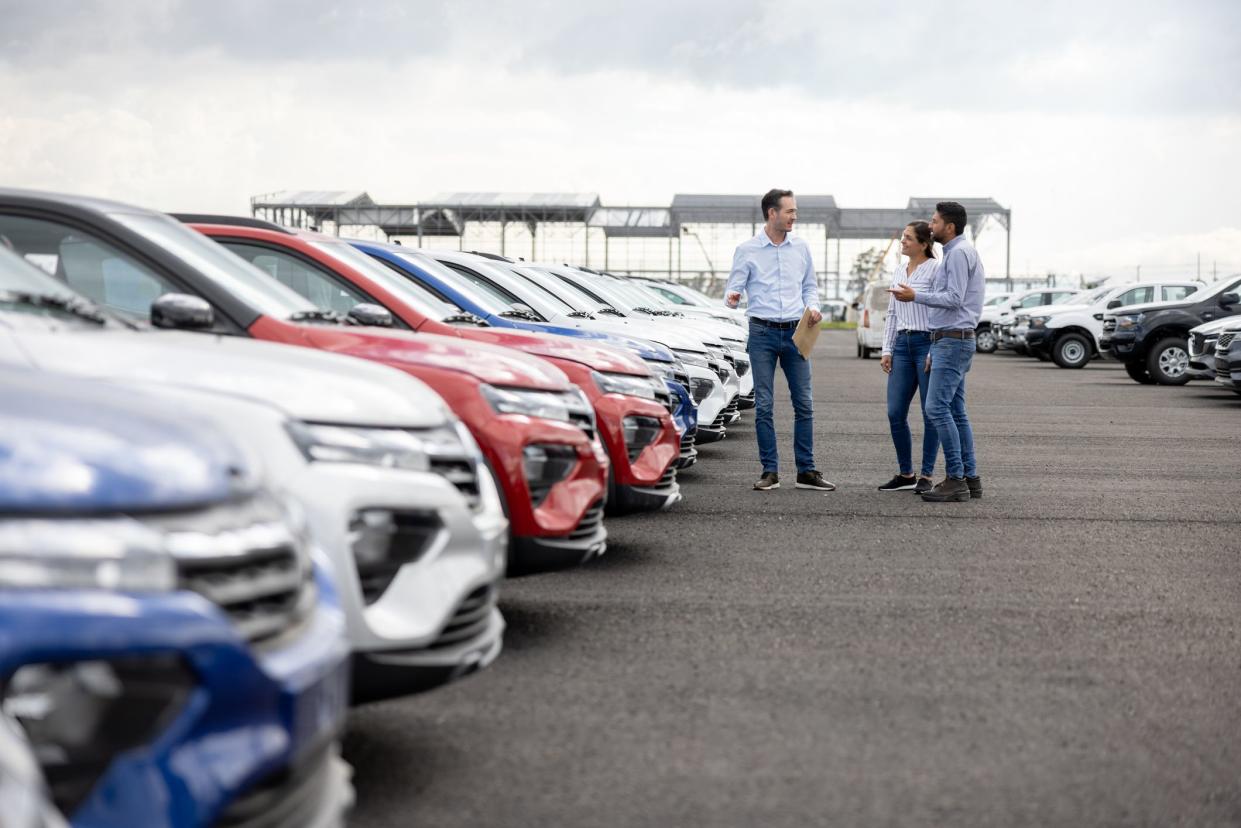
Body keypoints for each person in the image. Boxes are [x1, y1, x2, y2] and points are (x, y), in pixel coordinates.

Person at [725, 189, 834, 492]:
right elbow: (731, 292)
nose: (794, 217)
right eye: (789, 211)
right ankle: (770, 470)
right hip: (761, 333)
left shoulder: (800, 247)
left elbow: (810, 287)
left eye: (795, 211)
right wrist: (732, 297)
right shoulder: (747, 250)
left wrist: (814, 308)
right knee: (765, 405)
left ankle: (807, 471)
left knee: (804, 404)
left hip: (796, 333)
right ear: (772, 213)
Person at [889, 201, 985, 503]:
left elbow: (954, 299)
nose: (931, 226)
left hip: (953, 340)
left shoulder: (957, 254)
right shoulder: (961, 253)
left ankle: (956, 479)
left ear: (950, 227)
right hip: (950, 339)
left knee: (937, 409)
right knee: (956, 411)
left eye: (935, 221)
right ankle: (971, 479)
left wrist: (916, 296)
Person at [877, 221, 939, 493]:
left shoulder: (936, 270)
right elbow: (892, 312)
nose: (902, 242)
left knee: (931, 413)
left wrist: (935, 349)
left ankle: (926, 475)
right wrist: (887, 349)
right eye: (902, 237)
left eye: (908, 238)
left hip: (926, 343)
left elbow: (940, 309)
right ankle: (906, 474)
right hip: (902, 344)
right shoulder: (900, 269)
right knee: (894, 412)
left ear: (924, 243)